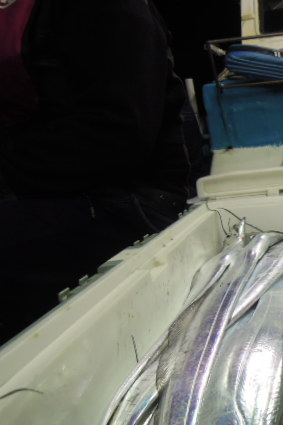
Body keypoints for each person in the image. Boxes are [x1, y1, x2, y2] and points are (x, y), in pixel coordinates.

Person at [0, 0, 191, 344]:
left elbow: (119, 135)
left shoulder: (112, 9)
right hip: (54, 192)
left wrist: (9, 166)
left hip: (130, 201)